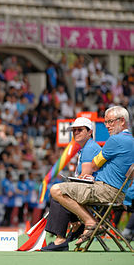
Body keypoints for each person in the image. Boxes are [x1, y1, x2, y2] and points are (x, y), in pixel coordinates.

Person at [51, 106, 134, 247]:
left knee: (56, 190)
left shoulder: (115, 140)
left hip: (106, 190)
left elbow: (95, 165)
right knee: (66, 189)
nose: (107, 126)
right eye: (106, 122)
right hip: (116, 192)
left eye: (110, 122)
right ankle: (78, 226)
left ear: (122, 121)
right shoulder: (130, 140)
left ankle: (89, 222)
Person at [42, 117, 102, 251]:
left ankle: (62, 238)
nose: (76, 133)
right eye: (74, 130)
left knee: (58, 193)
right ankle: (72, 227)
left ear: (89, 132)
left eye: (80, 130)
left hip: (92, 192)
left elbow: (85, 178)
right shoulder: (86, 148)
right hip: (91, 190)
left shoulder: (90, 148)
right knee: (59, 192)